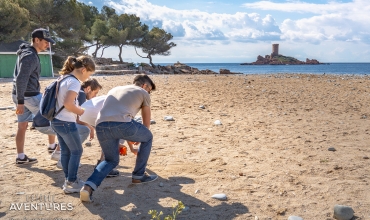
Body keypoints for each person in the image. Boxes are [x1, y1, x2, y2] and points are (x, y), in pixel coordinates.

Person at [80, 74, 156, 202]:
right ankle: (138, 175)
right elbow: (146, 123)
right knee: (148, 137)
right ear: (145, 86)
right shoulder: (143, 92)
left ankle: (87, 187)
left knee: (110, 160)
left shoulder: (115, 89)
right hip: (122, 124)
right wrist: (138, 136)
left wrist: (129, 135)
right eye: (149, 90)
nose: (149, 93)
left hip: (101, 125)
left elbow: (115, 117)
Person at [32, 78, 103, 169]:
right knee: (84, 130)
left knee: (68, 127)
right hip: (48, 124)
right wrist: (91, 127)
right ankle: (64, 160)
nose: (95, 96)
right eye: (95, 93)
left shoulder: (74, 91)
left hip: (41, 122)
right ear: (88, 89)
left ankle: (57, 153)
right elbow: (77, 119)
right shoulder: (80, 94)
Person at [51, 56, 95, 194]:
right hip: (65, 122)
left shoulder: (63, 78)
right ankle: (72, 181)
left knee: (66, 151)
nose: (88, 78)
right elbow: (68, 104)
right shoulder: (74, 82)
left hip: (56, 120)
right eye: (89, 74)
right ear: (83, 70)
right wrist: (81, 111)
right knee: (77, 151)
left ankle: (69, 181)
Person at [12, 28, 56, 165]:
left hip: (20, 95)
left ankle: (21, 157)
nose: (48, 44)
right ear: (36, 40)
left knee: (22, 126)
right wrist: (20, 102)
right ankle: (54, 148)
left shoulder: (26, 52)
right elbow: (21, 79)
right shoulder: (30, 56)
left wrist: (19, 100)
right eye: (45, 41)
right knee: (53, 116)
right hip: (29, 96)